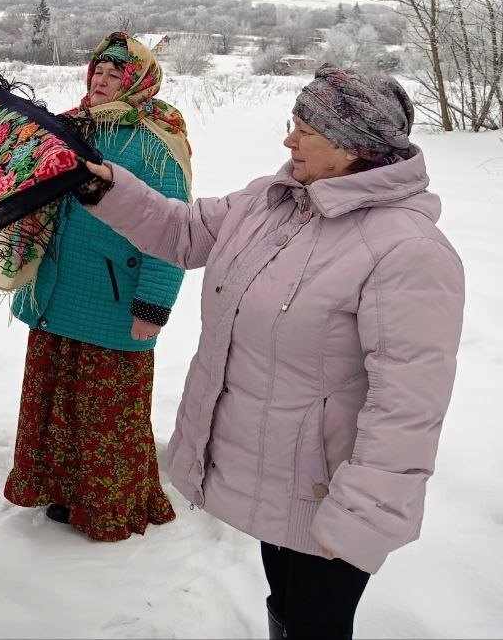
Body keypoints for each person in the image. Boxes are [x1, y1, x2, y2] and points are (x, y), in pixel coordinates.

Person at [78, 65, 464, 639]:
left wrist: (361, 515)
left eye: (305, 128)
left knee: (316, 624)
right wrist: (102, 186)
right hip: (273, 474)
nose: (289, 139)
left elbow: (408, 407)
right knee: (284, 605)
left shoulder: (407, 252)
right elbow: (182, 233)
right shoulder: (272, 201)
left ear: (353, 145)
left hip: (331, 494)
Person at [2, 32, 193, 541]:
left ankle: (112, 507)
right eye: (98, 72)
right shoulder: (66, 128)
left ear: (139, 81)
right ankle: (64, 492)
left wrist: (152, 305)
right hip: (56, 293)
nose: (103, 80)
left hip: (113, 302)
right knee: (59, 403)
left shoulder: (156, 144)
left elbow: (172, 230)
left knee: (107, 415)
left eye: (116, 73)